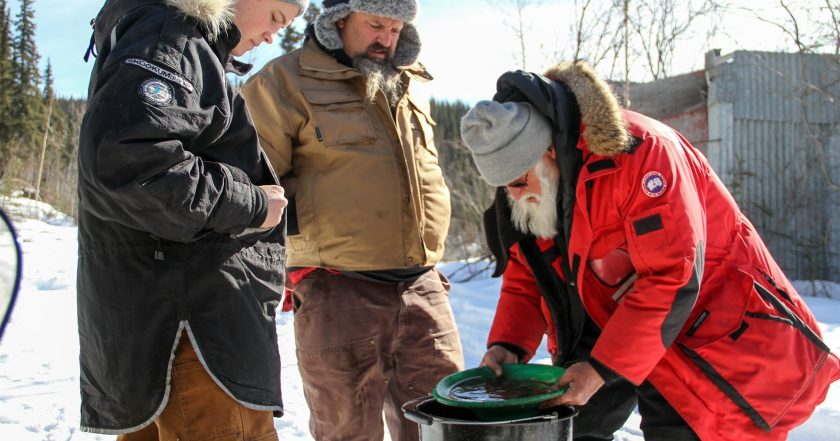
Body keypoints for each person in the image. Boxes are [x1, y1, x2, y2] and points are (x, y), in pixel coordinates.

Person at [459, 62, 840, 441]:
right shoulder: (532, 185)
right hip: (609, 318)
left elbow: (674, 277)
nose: (515, 195)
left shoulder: (643, 155)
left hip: (699, 324)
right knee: (570, 426)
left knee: (691, 430)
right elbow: (531, 273)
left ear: (549, 153)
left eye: (518, 182)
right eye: (505, 187)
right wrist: (507, 345)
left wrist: (602, 369)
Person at [76, 0, 308, 439]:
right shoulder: (173, 34)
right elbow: (130, 161)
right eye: (277, 16)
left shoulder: (163, 36)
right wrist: (254, 204)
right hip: (192, 329)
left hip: (159, 325)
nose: (273, 36)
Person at [240, 0, 465, 439]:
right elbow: (253, 187)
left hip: (423, 287)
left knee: (446, 425)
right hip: (338, 290)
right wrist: (281, 270)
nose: (387, 38)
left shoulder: (414, 81)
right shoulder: (282, 82)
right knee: (347, 431)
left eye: (396, 27)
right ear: (338, 19)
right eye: (376, 23)